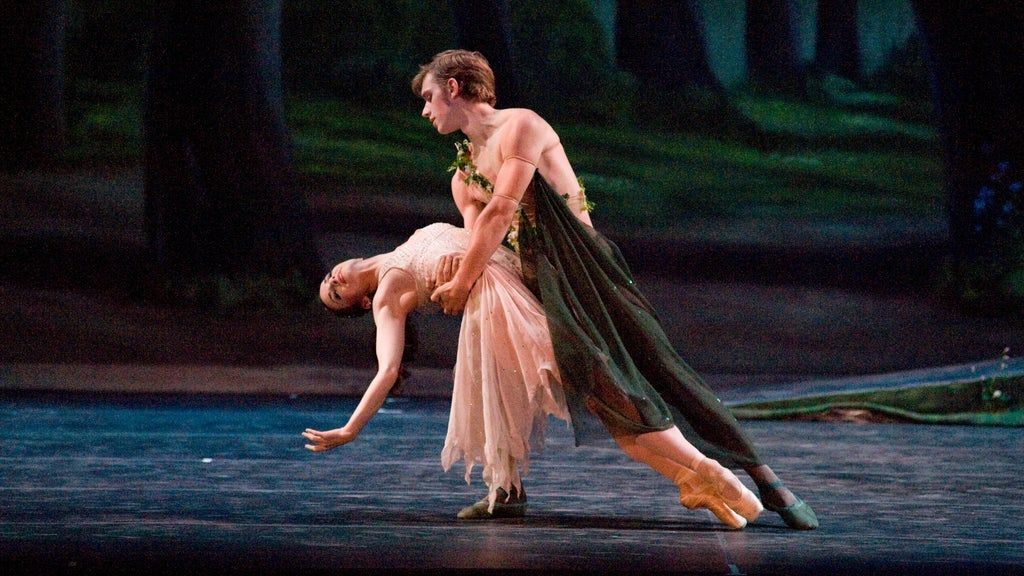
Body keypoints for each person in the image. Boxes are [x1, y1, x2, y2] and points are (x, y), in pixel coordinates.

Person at [412, 49, 818, 530]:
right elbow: (480, 235)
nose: (426, 110)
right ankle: (506, 487)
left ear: (454, 88)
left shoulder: (520, 126)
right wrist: (460, 270)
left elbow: (501, 211)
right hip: (537, 282)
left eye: (429, 97)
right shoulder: (463, 176)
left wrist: (462, 281)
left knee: (657, 371)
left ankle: (764, 476)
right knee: (562, 384)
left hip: (587, 275)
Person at [303, 222, 763, 529]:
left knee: (607, 399)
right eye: (335, 296)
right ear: (362, 304)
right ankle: (708, 472)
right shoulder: (386, 297)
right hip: (503, 313)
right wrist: (351, 428)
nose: (333, 282)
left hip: (520, 287)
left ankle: (691, 480)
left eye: (328, 281)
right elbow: (387, 370)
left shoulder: (404, 246)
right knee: (602, 394)